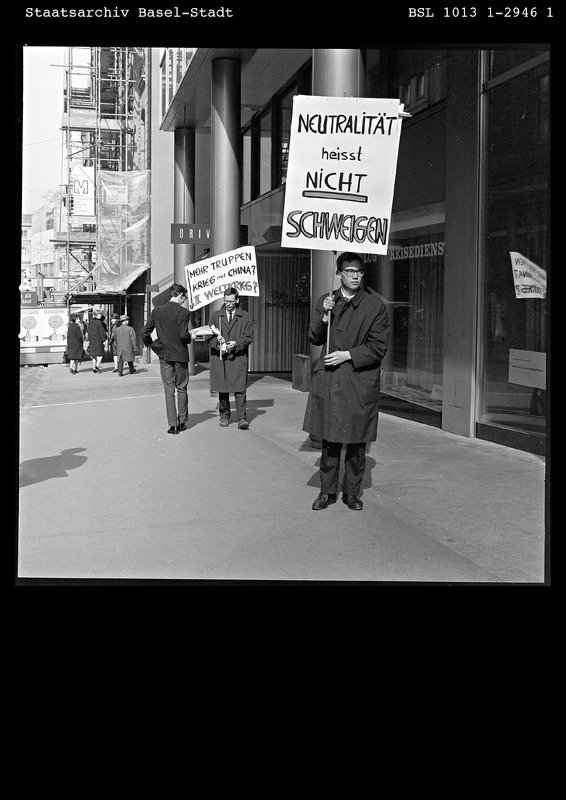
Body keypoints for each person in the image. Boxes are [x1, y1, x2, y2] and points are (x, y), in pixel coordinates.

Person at [303, 252, 390, 511]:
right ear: (339, 274)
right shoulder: (326, 301)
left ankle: (352, 493)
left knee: (356, 441)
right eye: (350, 271)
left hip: (357, 381)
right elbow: (315, 338)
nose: (355, 276)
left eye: (359, 271)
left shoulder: (375, 307)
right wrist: (323, 318)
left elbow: (377, 347)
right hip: (330, 381)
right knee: (329, 440)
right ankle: (327, 491)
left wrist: (347, 354)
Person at [141, 283, 191, 435]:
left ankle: (173, 425)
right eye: (185, 297)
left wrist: (152, 345)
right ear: (180, 295)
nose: (185, 300)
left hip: (165, 355)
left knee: (169, 389)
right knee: (182, 387)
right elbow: (183, 335)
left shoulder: (157, 311)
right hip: (180, 355)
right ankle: (182, 422)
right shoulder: (184, 312)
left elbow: (144, 332)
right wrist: (190, 337)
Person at [207, 287, 254, 429]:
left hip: (238, 357)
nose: (228, 304)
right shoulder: (216, 316)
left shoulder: (245, 316)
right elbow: (209, 338)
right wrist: (218, 344)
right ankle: (224, 416)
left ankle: (242, 418)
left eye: (231, 301)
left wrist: (236, 343)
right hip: (221, 358)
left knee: (240, 388)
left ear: (237, 300)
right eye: (226, 301)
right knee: (223, 388)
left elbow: (248, 337)